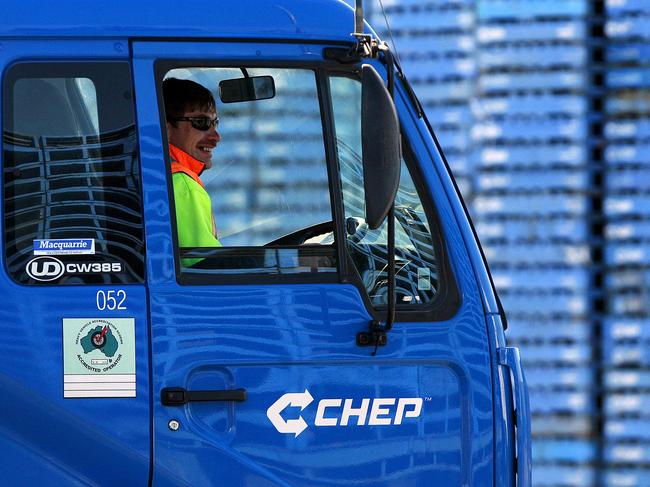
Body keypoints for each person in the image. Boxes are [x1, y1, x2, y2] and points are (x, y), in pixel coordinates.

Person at [163, 77, 222, 266]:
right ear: (166, 129)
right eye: (201, 122)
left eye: (215, 123)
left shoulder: (153, 175)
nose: (216, 137)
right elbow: (209, 270)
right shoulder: (181, 184)